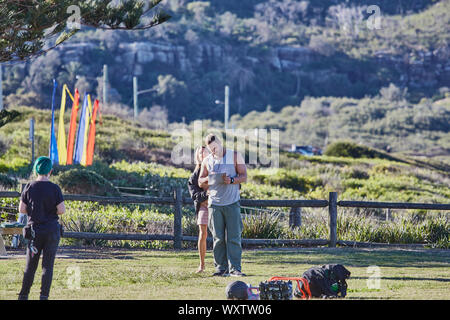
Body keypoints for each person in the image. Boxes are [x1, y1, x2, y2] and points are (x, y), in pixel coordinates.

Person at [198, 134, 247, 277]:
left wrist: (231, 180)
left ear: (220, 143)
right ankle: (221, 268)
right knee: (217, 238)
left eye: (214, 148)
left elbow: (244, 176)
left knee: (233, 237)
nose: (213, 151)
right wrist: (210, 178)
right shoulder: (207, 160)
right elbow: (200, 182)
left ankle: (235, 269)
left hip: (232, 203)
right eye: (210, 149)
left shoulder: (234, 156)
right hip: (214, 204)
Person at [18, 156, 65, 300]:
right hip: (51, 231)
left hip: (34, 232)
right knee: (47, 266)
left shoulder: (29, 187)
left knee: (30, 266)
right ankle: (44, 296)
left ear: (36, 169)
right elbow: (61, 210)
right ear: (50, 171)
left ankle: (23, 295)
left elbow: (22, 209)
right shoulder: (55, 188)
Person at [187, 145, 210, 273]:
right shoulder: (194, 176)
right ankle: (201, 265)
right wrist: (207, 195)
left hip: (218, 205)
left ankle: (225, 264)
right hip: (203, 206)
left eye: (205, 153)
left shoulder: (215, 168)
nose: (203, 155)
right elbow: (195, 195)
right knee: (203, 233)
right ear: (197, 157)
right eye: (200, 154)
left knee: (223, 234)